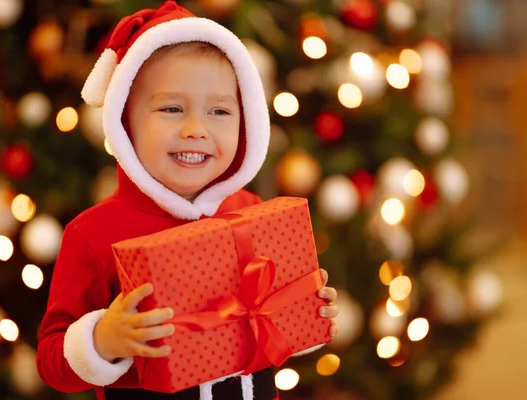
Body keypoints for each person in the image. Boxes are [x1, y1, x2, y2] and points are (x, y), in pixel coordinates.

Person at [36, 2, 338, 399]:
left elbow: (266, 322)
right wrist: (102, 340)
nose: (196, 129)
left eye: (219, 111)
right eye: (172, 108)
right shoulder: (93, 234)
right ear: (125, 122)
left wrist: (303, 307)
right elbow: (52, 361)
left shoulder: (249, 211)